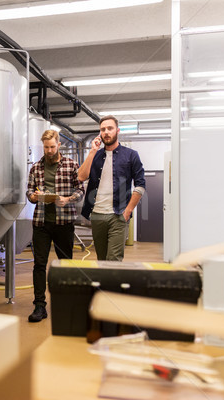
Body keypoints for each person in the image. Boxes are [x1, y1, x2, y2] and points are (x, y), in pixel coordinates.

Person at [26, 129, 84, 322]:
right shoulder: (35, 168)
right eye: (46, 147)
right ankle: (40, 307)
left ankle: (66, 305)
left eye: (52, 147)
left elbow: (80, 189)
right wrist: (33, 197)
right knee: (39, 265)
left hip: (64, 223)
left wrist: (68, 199)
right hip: (41, 223)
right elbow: (29, 192)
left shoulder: (71, 165)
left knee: (65, 264)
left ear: (59, 145)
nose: (49, 151)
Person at [78, 115, 146, 261]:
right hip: (97, 215)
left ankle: (112, 284)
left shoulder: (131, 155)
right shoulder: (95, 155)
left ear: (117, 130)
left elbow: (140, 185)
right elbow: (81, 177)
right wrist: (92, 151)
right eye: (103, 129)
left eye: (110, 128)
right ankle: (104, 284)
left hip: (118, 215)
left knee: (114, 259)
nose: (106, 132)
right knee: (101, 260)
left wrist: (127, 212)